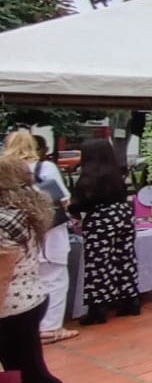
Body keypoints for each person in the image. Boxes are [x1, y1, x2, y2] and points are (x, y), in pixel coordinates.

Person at [0, 155, 79, 383]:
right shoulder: (24, 210)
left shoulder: (5, 219)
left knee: (33, 376)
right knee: (33, 373)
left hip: (12, 307)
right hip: (28, 299)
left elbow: (2, 272)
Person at [2, 132, 77, 344]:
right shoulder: (45, 168)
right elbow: (64, 200)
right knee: (55, 278)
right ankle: (50, 327)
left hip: (15, 233)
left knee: (26, 278)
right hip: (49, 231)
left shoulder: (5, 169)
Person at [69, 138, 139, 326]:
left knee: (99, 263)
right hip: (122, 215)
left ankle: (98, 309)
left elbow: (78, 205)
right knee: (125, 257)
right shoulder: (120, 174)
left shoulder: (87, 177)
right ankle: (130, 301)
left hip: (100, 219)